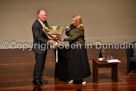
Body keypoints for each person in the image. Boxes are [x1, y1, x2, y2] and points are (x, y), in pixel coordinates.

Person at [59, 15, 91, 84]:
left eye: (74, 21)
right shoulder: (72, 26)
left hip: (79, 48)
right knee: (72, 63)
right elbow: (69, 34)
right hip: (72, 47)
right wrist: (67, 30)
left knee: (81, 63)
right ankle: (73, 77)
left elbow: (73, 38)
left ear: (78, 21)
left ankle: (83, 78)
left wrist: (63, 39)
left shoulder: (81, 29)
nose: (72, 22)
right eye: (72, 21)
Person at [32, 10, 53, 85]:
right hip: (39, 47)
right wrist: (47, 41)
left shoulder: (45, 22)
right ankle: (36, 79)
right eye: (44, 15)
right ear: (39, 16)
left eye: (46, 15)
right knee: (39, 64)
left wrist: (53, 36)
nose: (45, 17)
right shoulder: (35, 25)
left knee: (42, 64)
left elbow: (48, 32)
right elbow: (37, 37)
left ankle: (40, 78)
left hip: (44, 46)